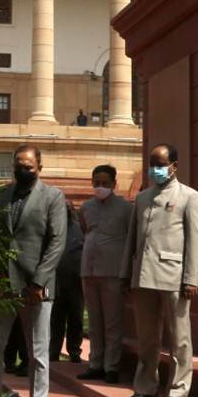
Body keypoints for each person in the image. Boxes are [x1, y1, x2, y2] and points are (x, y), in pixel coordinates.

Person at [0, 144, 67, 397]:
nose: (22, 170)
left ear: (39, 168)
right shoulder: (1, 195)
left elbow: (56, 243)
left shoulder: (53, 197)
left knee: (38, 355)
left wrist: (38, 282)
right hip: (2, 285)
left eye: (28, 166)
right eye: (18, 164)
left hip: (37, 290)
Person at [119, 144, 198, 397]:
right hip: (143, 276)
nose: (156, 169)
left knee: (179, 339)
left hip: (174, 277)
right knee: (147, 338)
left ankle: (178, 392)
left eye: (161, 164)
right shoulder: (143, 198)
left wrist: (191, 278)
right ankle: (145, 389)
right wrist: (125, 274)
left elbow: (196, 241)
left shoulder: (190, 197)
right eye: (152, 163)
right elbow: (131, 240)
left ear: (174, 166)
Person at [77, 164, 132, 384]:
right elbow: (84, 230)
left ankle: (112, 367)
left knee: (112, 322)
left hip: (113, 271)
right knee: (94, 322)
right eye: (97, 183)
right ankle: (95, 363)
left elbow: (131, 238)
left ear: (114, 184)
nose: (100, 187)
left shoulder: (125, 208)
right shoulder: (86, 208)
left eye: (105, 183)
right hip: (89, 271)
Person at [49, 205, 84, 363]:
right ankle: (54, 350)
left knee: (76, 318)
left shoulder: (80, 229)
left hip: (76, 282)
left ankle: (74, 350)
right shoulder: (53, 229)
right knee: (56, 319)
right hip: (57, 282)